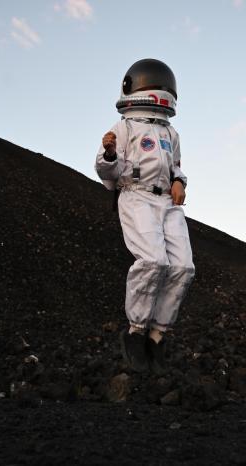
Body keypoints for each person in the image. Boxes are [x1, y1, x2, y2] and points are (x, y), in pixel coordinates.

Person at [94, 58, 195, 374]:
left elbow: (175, 165)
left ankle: (157, 335)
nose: (161, 87)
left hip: (167, 202)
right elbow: (105, 168)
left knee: (183, 266)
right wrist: (110, 153)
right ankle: (135, 333)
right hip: (136, 195)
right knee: (153, 261)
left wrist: (179, 181)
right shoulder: (123, 127)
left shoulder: (170, 132)